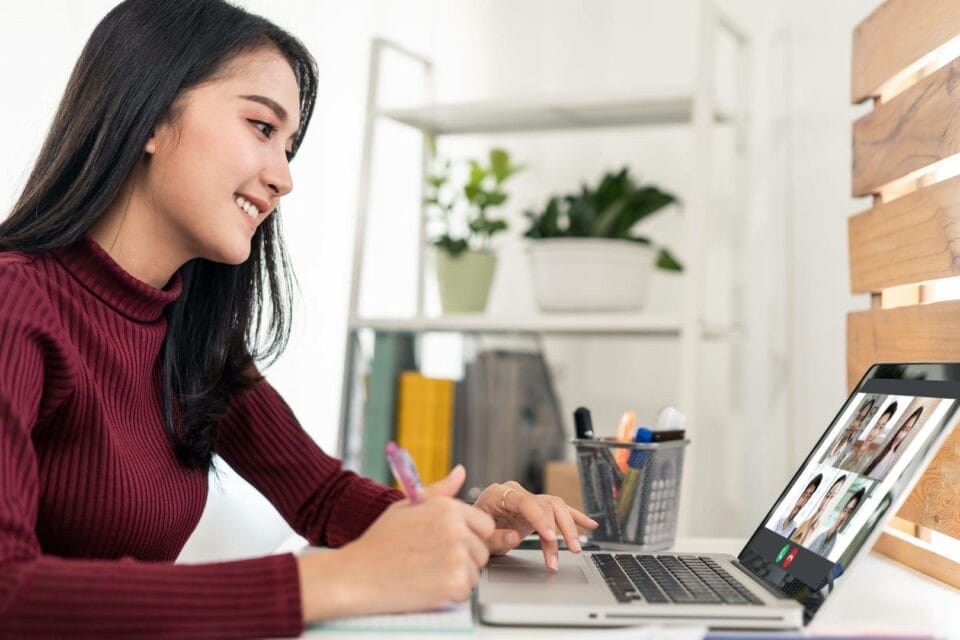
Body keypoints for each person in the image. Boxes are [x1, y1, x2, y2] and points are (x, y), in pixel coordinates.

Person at [0, 1, 597, 637]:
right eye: (261, 126)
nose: (284, 178)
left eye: (289, 147)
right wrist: (342, 579)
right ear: (147, 113)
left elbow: (321, 497)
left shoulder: (190, 337)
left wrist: (470, 524)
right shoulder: (15, 304)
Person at [863, 406, 924, 479]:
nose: (902, 434)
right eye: (903, 428)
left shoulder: (893, 456)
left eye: (907, 430)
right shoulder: (878, 449)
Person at [807, 487, 866, 558]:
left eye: (849, 513)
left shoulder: (840, 544)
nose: (843, 516)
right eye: (845, 510)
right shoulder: (819, 529)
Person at [840, 400, 898, 473]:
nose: (874, 433)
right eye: (875, 426)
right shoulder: (849, 448)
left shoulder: (870, 460)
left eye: (880, 428)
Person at [789, 475, 847, 546]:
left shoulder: (822, 532)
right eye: (828, 495)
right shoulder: (805, 523)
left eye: (832, 497)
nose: (827, 501)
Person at [821, 398, 875, 467]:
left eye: (861, 420)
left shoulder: (851, 447)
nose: (855, 424)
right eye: (857, 418)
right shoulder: (834, 434)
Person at [772, 473, 823, 538]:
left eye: (808, 497)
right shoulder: (776, 518)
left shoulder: (798, 530)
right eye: (804, 494)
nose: (802, 501)